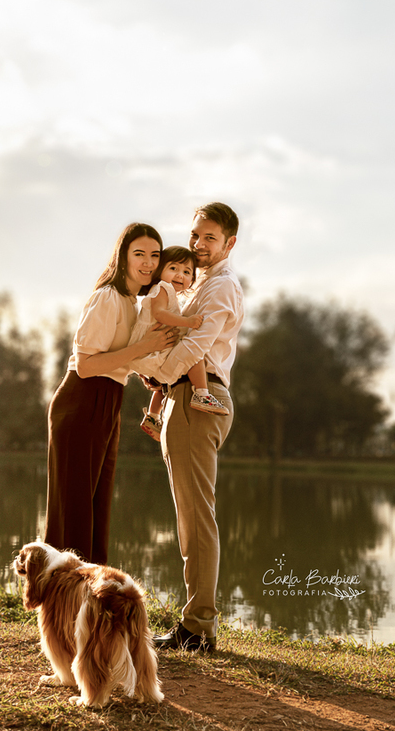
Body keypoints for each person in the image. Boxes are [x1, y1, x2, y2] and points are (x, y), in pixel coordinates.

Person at [43, 223, 177, 565]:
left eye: (155, 255)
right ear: (123, 257)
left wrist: (143, 368)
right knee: (74, 508)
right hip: (81, 400)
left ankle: (88, 596)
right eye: (139, 254)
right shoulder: (107, 297)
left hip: (108, 400)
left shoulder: (133, 303)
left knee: (96, 506)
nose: (148, 263)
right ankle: (62, 599)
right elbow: (86, 365)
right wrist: (143, 348)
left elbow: (115, 359)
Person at [143, 203, 244, 653]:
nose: (200, 246)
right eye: (196, 236)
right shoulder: (196, 285)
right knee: (190, 515)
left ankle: (199, 629)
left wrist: (163, 375)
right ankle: (195, 624)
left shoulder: (220, 288)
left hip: (197, 401)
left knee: (196, 516)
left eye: (210, 238)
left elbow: (198, 343)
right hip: (184, 399)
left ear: (229, 243)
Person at [129, 246, 229, 442]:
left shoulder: (168, 293)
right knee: (193, 351)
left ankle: (152, 416)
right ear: (160, 270)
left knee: (163, 383)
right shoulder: (162, 288)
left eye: (186, 272)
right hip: (154, 344)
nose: (180, 275)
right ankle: (201, 393)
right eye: (173, 268)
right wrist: (188, 322)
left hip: (155, 347)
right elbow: (159, 314)